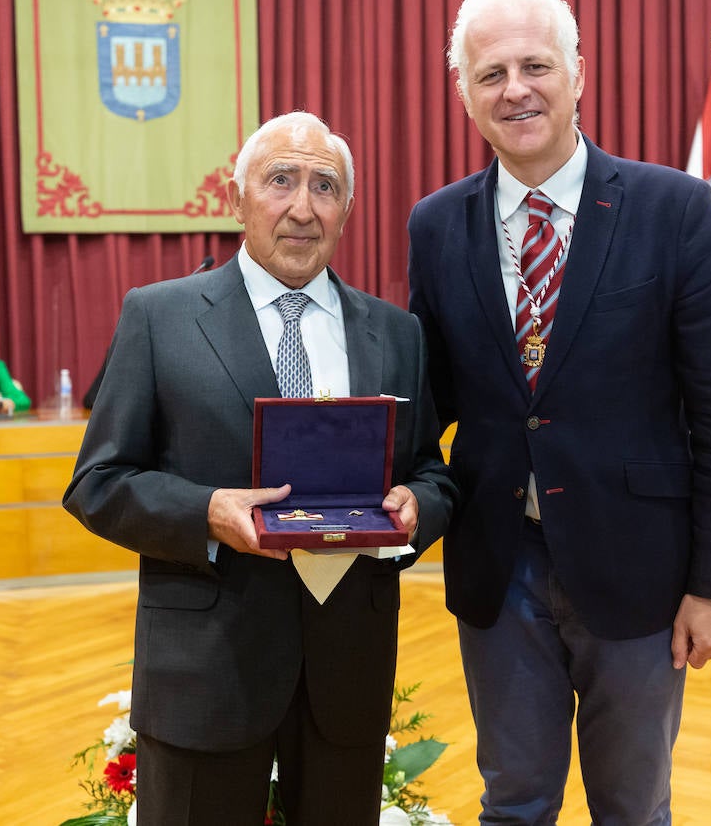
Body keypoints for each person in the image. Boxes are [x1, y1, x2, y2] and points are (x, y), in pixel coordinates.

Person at [407, 0, 711, 824]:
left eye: (536, 66)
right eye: (489, 74)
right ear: (463, 92)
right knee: (514, 801)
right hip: (499, 569)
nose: (515, 89)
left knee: (632, 808)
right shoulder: (434, 224)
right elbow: (429, 402)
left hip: (640, 571)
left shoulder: (675, 209)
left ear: (578, 73)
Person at [64, 111, 454, 825]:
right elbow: (97, 483)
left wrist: (418, 505)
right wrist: (207, 511)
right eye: (281, 181)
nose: (303, 207)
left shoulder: (397, 333)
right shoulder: (160, 317)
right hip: (207, 670)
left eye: (325, 187)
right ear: (237, 198)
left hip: (347, 675)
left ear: (347, 209)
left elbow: (433, 468)